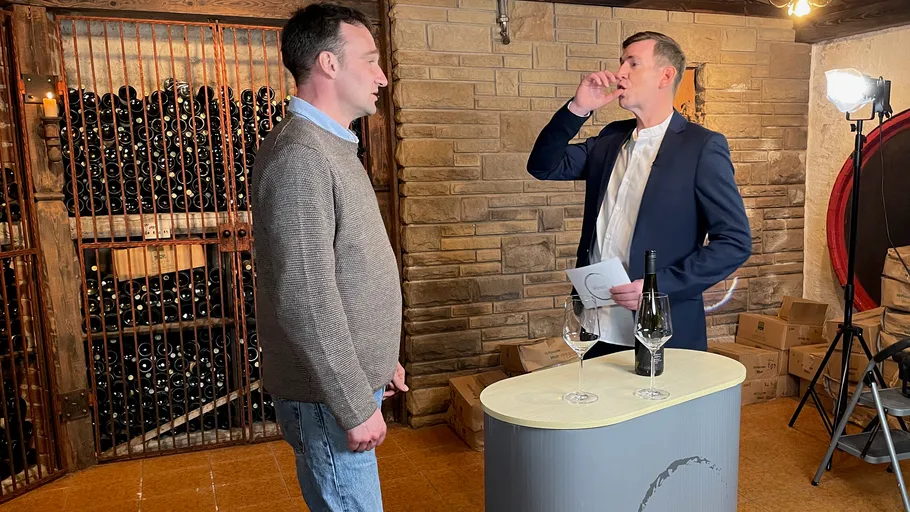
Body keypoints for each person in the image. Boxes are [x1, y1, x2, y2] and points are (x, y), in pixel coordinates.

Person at [250, 4, 406, 511]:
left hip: (342, 390)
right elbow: (307, 297)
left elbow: (349, 270)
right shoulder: (302, 156)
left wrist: (381, 360)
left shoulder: (333, 146)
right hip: (327, 401)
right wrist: (354, 403)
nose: (382, 76)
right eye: (371, 60)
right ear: (329, 64)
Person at [527, 31, 751, 358]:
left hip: (662, 331)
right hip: (596, 325)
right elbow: (543, 166)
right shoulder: (609, 139)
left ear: (666, 75)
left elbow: (734, 241)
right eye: (621, 63)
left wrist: (658, 287)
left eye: (633, 63)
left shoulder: (702, 147)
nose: (620, 72)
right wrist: (578, 108)